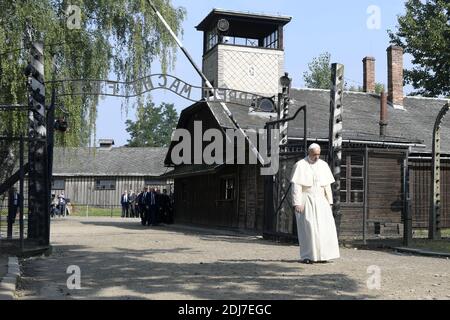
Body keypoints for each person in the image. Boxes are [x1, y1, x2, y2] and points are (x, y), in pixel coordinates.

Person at [290, 143, 340, 264]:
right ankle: (308, 256)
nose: (317, 157)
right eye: (314, 154)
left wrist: (330, 202)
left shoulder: (323, 165)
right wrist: (297, 203)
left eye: (318, 154)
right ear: (309, 153)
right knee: (309, 228)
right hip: (306, 199)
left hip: (321, 200)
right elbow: (296, 186)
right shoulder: (300, 165)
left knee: (324, 228)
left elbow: (327, 185)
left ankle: (324, 255)